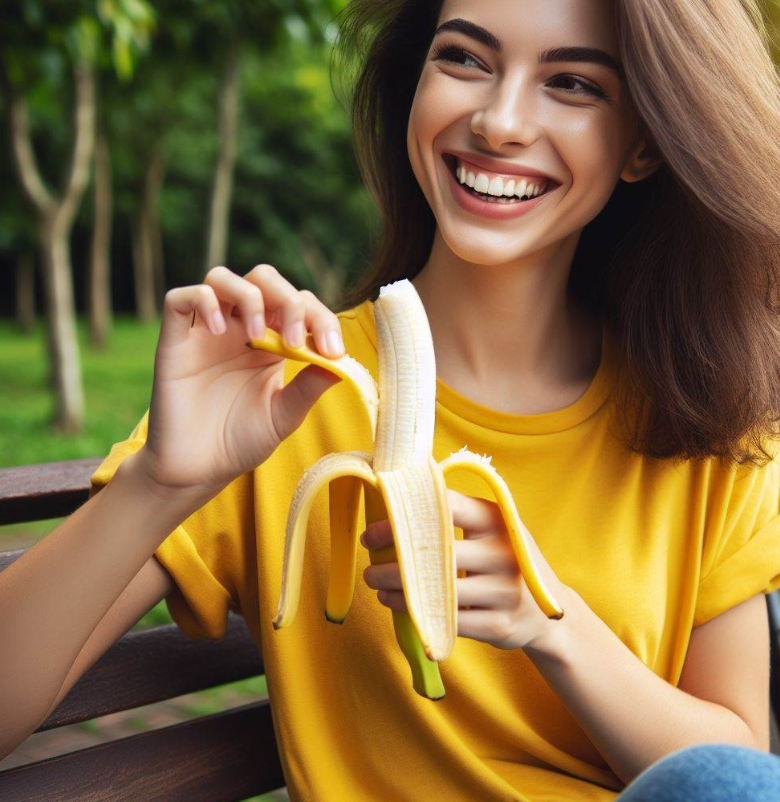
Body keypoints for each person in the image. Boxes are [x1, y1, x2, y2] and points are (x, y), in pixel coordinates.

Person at [3, 0, 780, 799]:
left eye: (574, 83)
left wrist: (554, 625)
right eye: (465, 60)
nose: (500, 121)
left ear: (645, 144)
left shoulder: (712, 427)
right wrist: (164, 479)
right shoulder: (284, 394)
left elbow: (733, 768)